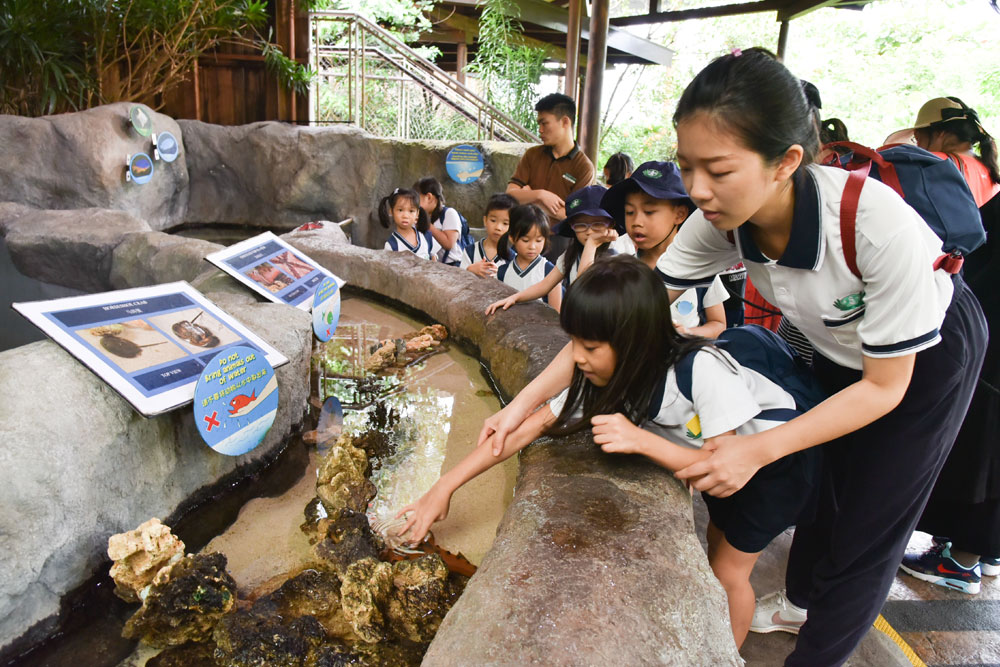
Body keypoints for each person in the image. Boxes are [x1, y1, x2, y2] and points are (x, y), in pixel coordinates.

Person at [478, 48, 987, 666]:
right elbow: (618, 326)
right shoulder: (715, 223)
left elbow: (884, 388)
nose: (697, 190)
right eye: (688, 167)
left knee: (868, 528)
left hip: (920, 360)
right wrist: (523, 405)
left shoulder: (876, 228)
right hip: (828, 342)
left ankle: (817, 653)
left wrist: (760, 446)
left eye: (717, 170)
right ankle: (800, 600)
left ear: (786, 162)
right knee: (827, 487)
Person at [398, 256, 819, 648]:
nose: (576, 357)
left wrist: (642, 442)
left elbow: (721, 467)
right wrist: (443, 488)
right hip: (718, 454)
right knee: (716, 539)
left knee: (730, 573)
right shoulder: (608, 376)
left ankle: (727, 653)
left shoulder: (702, 370)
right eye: (574, 341)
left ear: (634, 342)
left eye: (591, 346)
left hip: (774, 468)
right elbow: (532, 426)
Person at [897, 96, 1000, 594]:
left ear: (937, 136)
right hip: (979, 328)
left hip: (965, 326)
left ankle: (963, 558)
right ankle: (976, 552)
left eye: (921, 136)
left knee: (974, 448)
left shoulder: (941, 169)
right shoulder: (987, 173)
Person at [602, 161, 727, 338]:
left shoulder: (701, 269)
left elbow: (718, 324)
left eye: (649, 211)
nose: (637, 221)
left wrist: (685, 333)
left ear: (680, 214)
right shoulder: (620, 268)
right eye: (630, 212)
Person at [485, 186, 616, 314]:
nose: (589, 231)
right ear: (572, 227)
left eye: (597, 224)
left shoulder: (614, 261)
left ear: (610, 224)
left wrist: (592, 245)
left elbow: (584, 291)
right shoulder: (570, 255)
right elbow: (545, 285)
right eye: (581, 225)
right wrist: (514, 298)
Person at [507, 93, 595, 260]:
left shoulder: (583, 167)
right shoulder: (532, 155)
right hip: (522, 235)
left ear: (565, 122)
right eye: (539, 123)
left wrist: (528, 197)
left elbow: (574, 218)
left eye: (544, 123)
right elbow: (510, 195)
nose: (540, 130)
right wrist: (540, 195)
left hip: (559, 241)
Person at [493, 204, 562, 310]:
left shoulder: (550, 272)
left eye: (539, 240)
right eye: (525, 240)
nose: (532, 247)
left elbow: (556, 314)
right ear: (512, 238)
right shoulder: (502, 272)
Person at [461, 193, 516, 278]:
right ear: (485, 220)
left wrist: (501, 275)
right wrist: (469, 269)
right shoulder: (470, 251)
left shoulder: (513, 259)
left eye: (505, 223)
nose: (498, 227)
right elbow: (458, 279)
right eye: (493, 220)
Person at [413, 177, 464, 266]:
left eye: (416, 199)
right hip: (434, 264)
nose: (414, 204)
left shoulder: (449, 213)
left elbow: (449, 244)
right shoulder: (419, 215)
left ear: (429, 197)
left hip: (453, 265)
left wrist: (427, 224)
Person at [380, 188, 438, 260]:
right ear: (391, 211)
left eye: (411, 211)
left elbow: (433, 257)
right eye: (400, 210)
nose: (405, 216)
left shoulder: (426, 236)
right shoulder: (392, 245)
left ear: (417, 214)